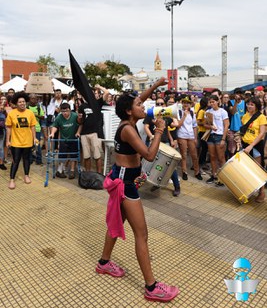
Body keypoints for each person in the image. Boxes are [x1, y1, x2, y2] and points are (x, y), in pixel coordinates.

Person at [96, 78, 179, 303]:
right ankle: (151, 287)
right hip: (125, 184)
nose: (144, 107)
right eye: (139, 106)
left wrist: (156, 85)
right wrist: (159, 131)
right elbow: (150, 155)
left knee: (116, 223)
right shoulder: (128, 130)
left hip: (124, 177)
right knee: (142, 235)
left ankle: (103, 263)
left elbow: (138, 99)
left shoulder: (128, 119)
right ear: (129, 111)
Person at [5, 92, 37, 189]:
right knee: (16, 161)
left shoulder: (30, 113)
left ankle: (26, 175)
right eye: (20, 102)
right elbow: (9, 128)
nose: (22, 103)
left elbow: (32, 127)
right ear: (16, 103)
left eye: (23, 101)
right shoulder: (12, 114)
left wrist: (34, 138)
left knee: (27, 159)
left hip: (27, 142)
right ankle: (12, 179)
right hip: (16, 143)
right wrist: (7, 141)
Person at [240, 96, 266, 202]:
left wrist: (251, 145)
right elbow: (244, 131)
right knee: (247, 170)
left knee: (257, 170)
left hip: (255, 146)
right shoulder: (245, 116)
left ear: (256, 106)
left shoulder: (261, 117)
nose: (249, 106)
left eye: (252, 104)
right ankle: (249, 190)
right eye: (248, 104)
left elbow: (262, 133)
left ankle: (262, 192)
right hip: (245, 145)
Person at [49, 102, 79, 179]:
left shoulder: (75, 116)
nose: (65, 113)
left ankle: (72, 171)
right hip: (63, 139)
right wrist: (52, 133)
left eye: (67, 111)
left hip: (73, 139)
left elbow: (80, 124)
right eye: (63, 111)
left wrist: (78, 132)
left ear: (70, 110)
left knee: (74, 155)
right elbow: (55, 126)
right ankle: (60, 170)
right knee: (62, 155)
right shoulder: (59, 117)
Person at [204, 95, 229, 185]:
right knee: (212, 156)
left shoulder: (223, 112)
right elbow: (205, 124)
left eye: (213, 102)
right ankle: (214, 175)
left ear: (218, 101)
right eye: (210, 102)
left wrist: (223, 139)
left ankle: (224, 177)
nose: (212, 104)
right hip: (211, 136)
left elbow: (226, 125)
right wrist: (210, 126)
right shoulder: (207, 112)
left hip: (219, 136)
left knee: (221, 158)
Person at [177, 96, 202, 180]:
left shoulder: (192, 113)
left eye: (187, 103)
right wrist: (184, 116)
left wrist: (195, 138)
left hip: (190, 136)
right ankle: (184, 172)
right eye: (184, 102)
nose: (186, 104)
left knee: (194, 155)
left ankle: (197, 172)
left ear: (190, 104)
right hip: (182, 136)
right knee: (183, 155)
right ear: (182, 103)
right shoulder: (179, 112)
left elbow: (194, 126)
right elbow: (179, 124)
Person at [28, 93, 44, 165]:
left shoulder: (38, 107)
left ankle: (39, 159)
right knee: (29, 145)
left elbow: (43, 117)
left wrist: (35, 115)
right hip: (28, 129)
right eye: (32, 98)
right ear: (29, 99)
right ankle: (30, 159)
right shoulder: (27, 107)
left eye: (35, 98)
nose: (34, 100)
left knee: (37, 145)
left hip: (37, 129)